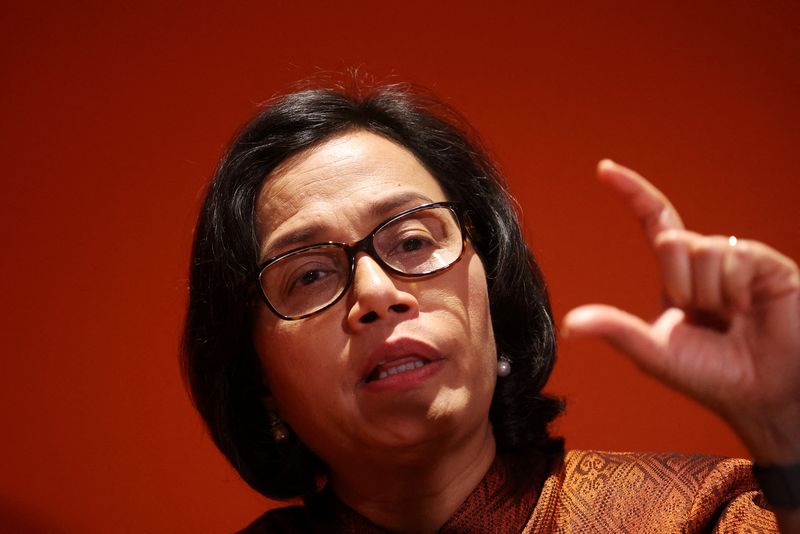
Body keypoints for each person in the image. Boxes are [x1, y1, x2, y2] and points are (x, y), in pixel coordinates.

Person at [182, 81, 799, 533]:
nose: (375, 293)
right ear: (259, 380)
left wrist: (787, 422)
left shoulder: (695, 517)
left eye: (413, 240)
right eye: (310, 274)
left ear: (493, 295)